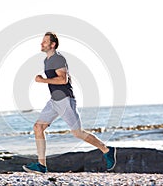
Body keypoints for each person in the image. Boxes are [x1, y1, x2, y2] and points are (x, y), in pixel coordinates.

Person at [22, 32, 116, 173]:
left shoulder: (58, 59)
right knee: (38, 127)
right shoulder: (47, 61)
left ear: (52, 44)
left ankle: (107, 150)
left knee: (77, 133)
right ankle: (41, 165)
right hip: (54, 101)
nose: (41, 44)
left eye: (45, 42)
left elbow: (63, 80)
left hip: (65, 100)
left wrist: (43, 80)